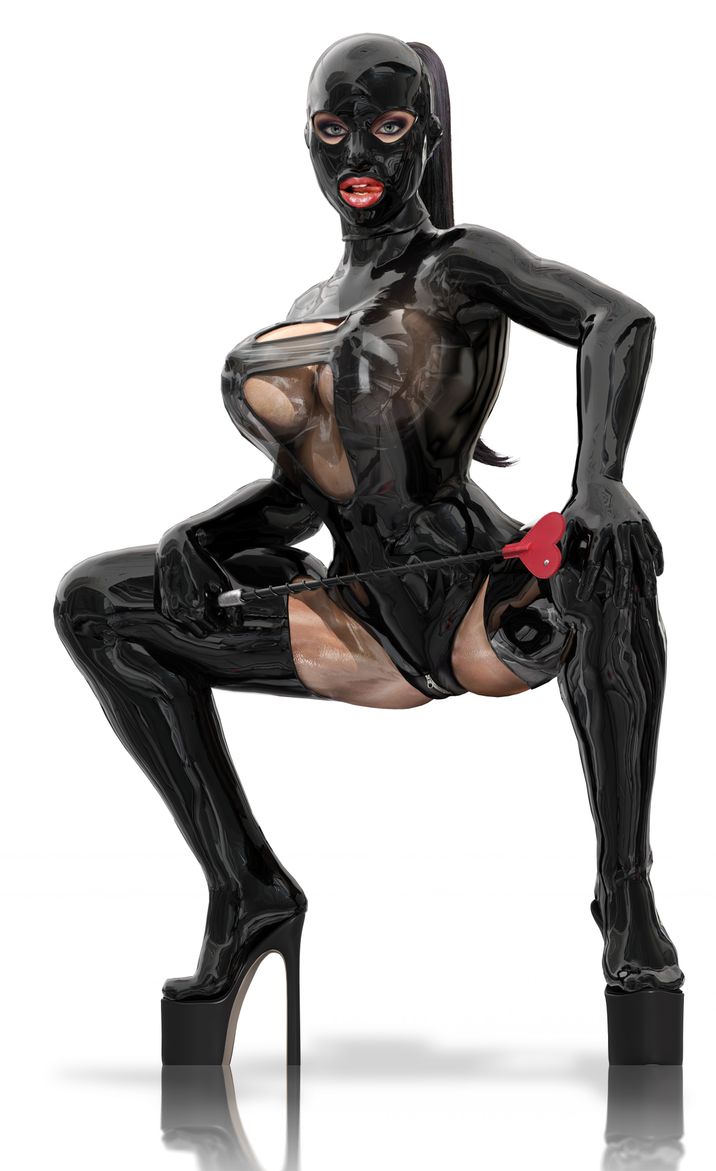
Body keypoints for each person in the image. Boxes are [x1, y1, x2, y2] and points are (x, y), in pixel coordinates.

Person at [54, 33, 683, 1062]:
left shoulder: (459, 262)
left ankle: (626, 900)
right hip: (361, 625)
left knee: (610, 566)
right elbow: (305, 496)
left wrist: (598, 482)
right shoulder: (308, 308)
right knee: (96, 601)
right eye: (331, 129)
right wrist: (204, 537)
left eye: (387, 129)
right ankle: (247, 893)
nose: (358, 153)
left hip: (483, 605)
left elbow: (617, 320)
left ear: (425, 138)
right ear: (305, 141)